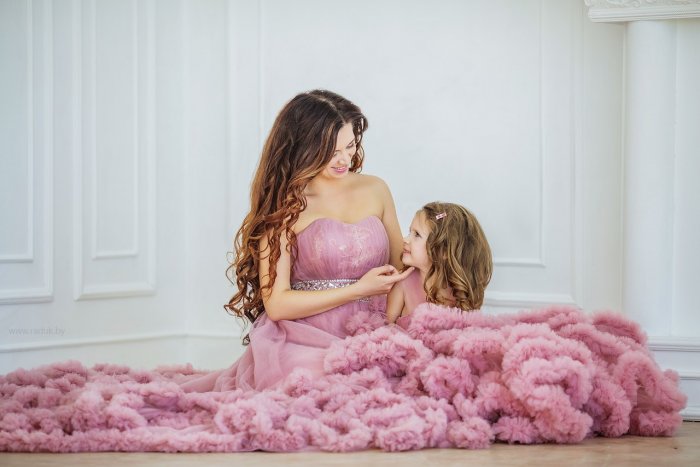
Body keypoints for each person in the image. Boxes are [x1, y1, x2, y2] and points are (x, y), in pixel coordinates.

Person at [181, 89, 413, 392]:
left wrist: (392, 324)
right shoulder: (285, 205)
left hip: (376, 326)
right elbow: (277, 304)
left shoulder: (376, 189)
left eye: (351, 146)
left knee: (405, 381)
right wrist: (357, 290)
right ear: (305, 147)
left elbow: (401, 268)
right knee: (322, 388)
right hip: (304, 336)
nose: (345, 159)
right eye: (332, 151)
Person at [386, 202, 493, 326]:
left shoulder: (459, 291)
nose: (405, 239)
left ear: (443, 251)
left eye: (417, 235)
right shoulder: (403, 282)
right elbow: (386, 325)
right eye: (410, 232)